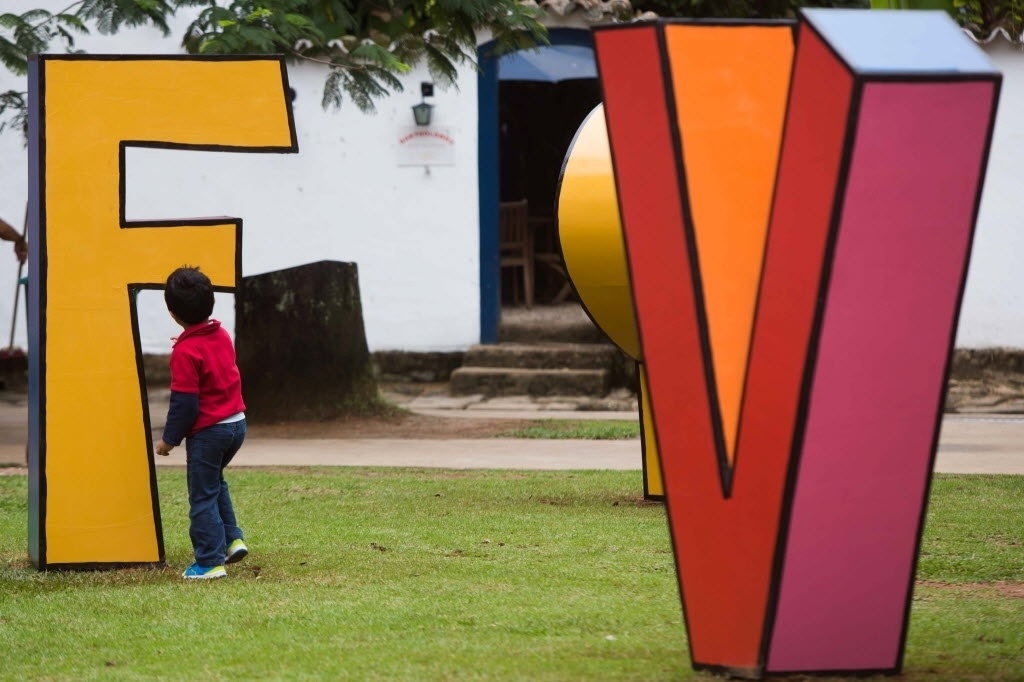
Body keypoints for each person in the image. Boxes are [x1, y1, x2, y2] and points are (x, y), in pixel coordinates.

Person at [154, 266, 249, 579]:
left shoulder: (185, 351)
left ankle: (209, 562)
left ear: (172, 312)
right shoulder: (220, 334)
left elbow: (185, 405)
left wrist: (169, 440)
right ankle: (232, 540)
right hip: (237, 424)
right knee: (214, 483)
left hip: (210, 433)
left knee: (202, 496)